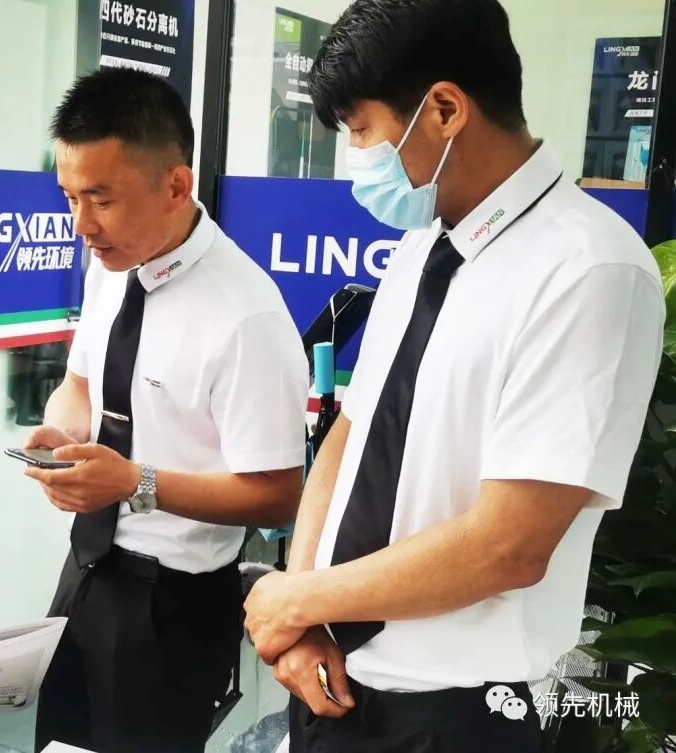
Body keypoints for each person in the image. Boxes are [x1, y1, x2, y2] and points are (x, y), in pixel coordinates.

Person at [241, 1, 667, 752]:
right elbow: (350, 435)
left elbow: (510, 544)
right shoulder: (423, 247)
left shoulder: (589, 269)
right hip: (333, 681)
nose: (356, 156)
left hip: (452, 717)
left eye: (362, 130)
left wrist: (299, 598)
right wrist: (303, 617)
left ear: (443, 110)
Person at [23, 67, 310, 753]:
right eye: (70, 197)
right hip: (86, 569)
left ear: (176, 186)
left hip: (173, 602)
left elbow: (277, 495)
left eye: (101, 199)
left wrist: (133, 482)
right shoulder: (111, 264)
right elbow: (80, 383)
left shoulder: (246, 317)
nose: (82, 225)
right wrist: (61, 435)